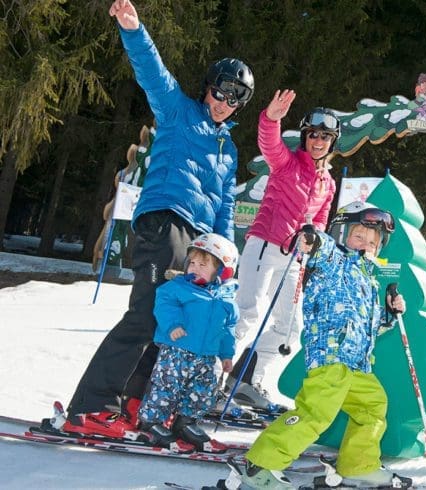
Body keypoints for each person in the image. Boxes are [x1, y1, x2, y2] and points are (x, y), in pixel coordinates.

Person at [62, 0, 254, 438]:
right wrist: (134, 30)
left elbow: (224, 205)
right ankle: (90, 408)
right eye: (223, 91)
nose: (226, 102)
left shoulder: (229, 149)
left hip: (199, 244)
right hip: (164, 222)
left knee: (170, 326)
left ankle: (135, 404)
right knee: (146, 315)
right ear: (209, 86)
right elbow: (153, 73)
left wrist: (224, 259)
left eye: (237, 98)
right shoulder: (179, 111)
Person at [238, 203, 412, 489]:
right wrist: (313, 239)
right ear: (342, 235)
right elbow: (322, 248)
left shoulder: (368, 279)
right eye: (359, 237)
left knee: (373, 407)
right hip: (331, 356)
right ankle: (261, 465)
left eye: (373, 242)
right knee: (316, 412)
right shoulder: (335, 262)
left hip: (357, 364)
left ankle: (358, 465)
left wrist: (388, 314)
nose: (366, 246)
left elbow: (368, 325)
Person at [226, 92, 340, 411]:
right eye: (313, 135)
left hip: (293, 258)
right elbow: (269, 144)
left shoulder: (327, 183)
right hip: (265, 244)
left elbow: (320, 221)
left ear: (333, 142)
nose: (318, 141)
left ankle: (246, 380)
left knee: (290, 328)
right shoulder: (286, 163)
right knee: (247, 312)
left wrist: (312, 239)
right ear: (305, 138)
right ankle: (207, 379)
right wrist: (271, 119)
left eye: (325, 137)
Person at [137, 233, 239, 453]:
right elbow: (164, 304)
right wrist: (173, 325)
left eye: (203, 264)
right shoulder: (178, 288)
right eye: (191, 262)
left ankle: (185, 422)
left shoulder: (226, 300)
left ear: (222, 270)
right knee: (166, 386)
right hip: (176, 351)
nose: (195, 267)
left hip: (206, 357)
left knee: (203, 390)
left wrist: (227, 355)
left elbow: (227, 330)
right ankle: (151, 421)